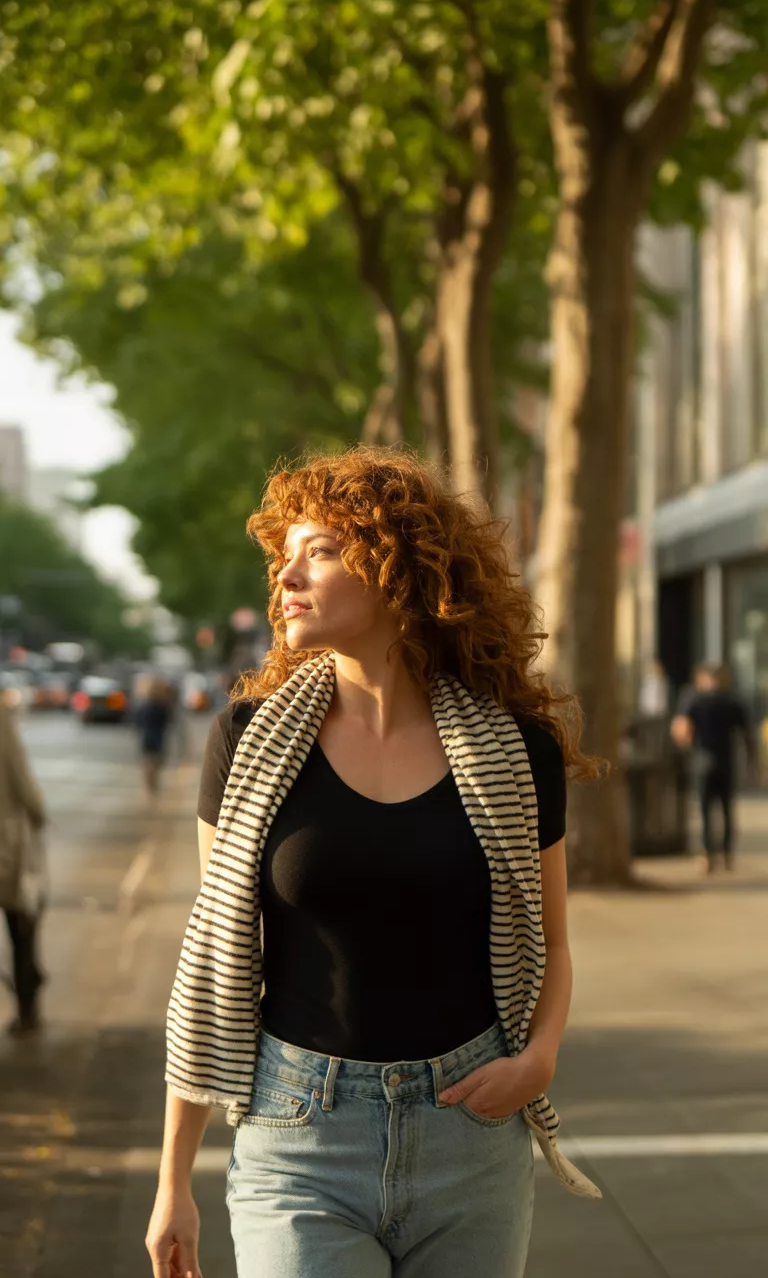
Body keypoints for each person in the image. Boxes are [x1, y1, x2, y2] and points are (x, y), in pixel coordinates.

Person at [146, 447, 602, 1278]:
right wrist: (173, 1180)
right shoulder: (246, 742)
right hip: (299, 1137)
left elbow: (556, 943)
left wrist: (538, 1061)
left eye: (317, 551)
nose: (285, 576)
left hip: (472, 1134)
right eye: (282, 557)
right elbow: (212, 962)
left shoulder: (514, 753)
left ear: (399, 570)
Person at [671, 662, 755, 873]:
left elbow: (681, 730)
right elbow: (747, 734)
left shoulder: (693, 699)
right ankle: (727, 853)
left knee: (705, 809)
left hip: (702, 758)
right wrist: (752, 762)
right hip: (726, 759)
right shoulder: (732, 701)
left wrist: (685, 750)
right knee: (726, 808)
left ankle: (708, 854)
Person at [0, 695, 47, 1036]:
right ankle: (28, 1002)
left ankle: (29, 991)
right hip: (6, 848)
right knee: (21, 926)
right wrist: (37, 814)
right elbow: (20, 777)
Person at [135, 678, 173, 796]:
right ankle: (152, 784)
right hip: (157, 737)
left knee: (149, 761)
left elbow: (137, 721)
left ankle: (149, 784)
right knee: (155, 762)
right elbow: (168, 721)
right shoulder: (162, 706)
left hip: (147, 736)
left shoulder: (144, 705)